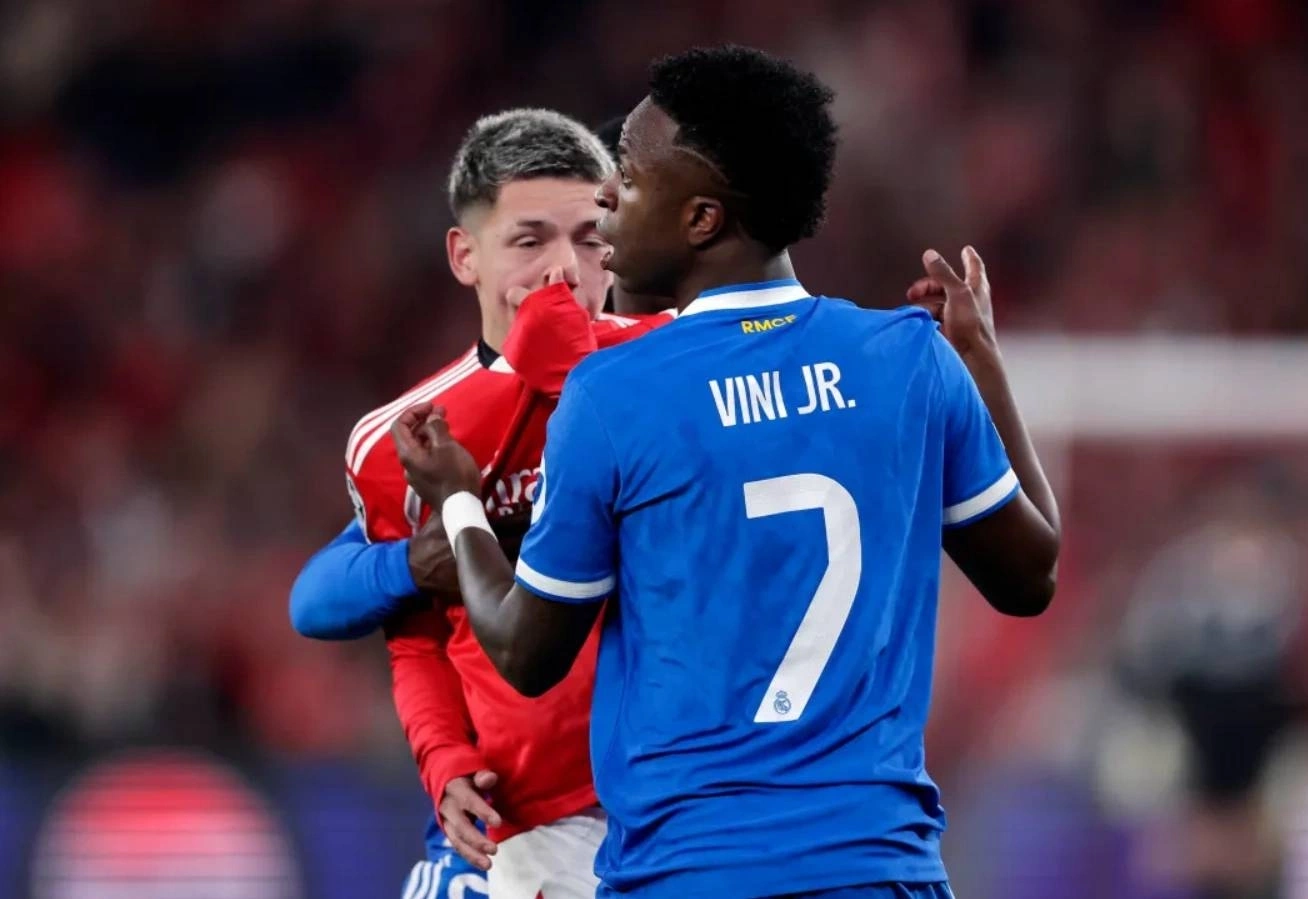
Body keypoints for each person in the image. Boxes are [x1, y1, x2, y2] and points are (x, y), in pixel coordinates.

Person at [393, 46, 1061, 898]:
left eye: (630, 177)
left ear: (702, 218)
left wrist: (458, 502)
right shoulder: (910, 359)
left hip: (693, 870)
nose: (606, 197)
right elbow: (1030, 575)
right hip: (879, 869)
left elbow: (526, 651)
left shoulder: (615, 393)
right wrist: (983, 363)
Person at [290, 108, 673, 899]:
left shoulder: (677, 368)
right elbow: (410, 636)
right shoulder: (410, 437)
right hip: (520, 827)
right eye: (530, 241)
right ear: (465, 256)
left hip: (680, 811)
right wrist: (444, 760)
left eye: (590, 239)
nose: (564, 270)